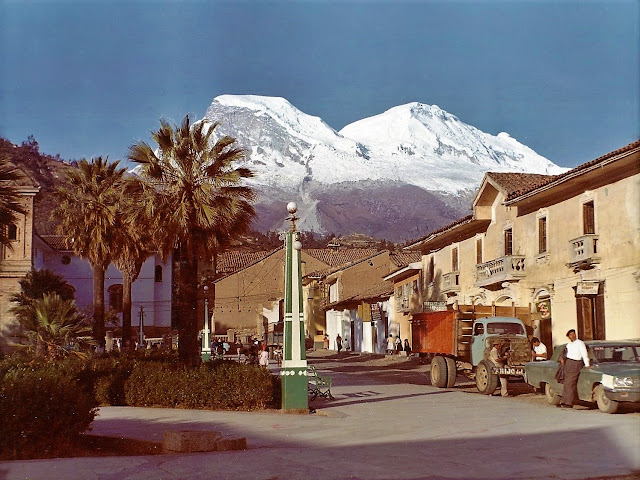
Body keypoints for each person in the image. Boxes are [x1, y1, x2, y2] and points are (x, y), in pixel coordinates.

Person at [559, 329, 591, 408]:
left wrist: (587, 364)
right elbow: (566, 353)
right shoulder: (569, 345)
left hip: (576, 363)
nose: (573, 336)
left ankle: (568, 402)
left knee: (570, 383)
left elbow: (584, 354)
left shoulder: (580, 343)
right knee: (566, 383)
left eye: (574, 334)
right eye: (571, 335)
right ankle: (564, 401)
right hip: (568, 363)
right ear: (568, 337)